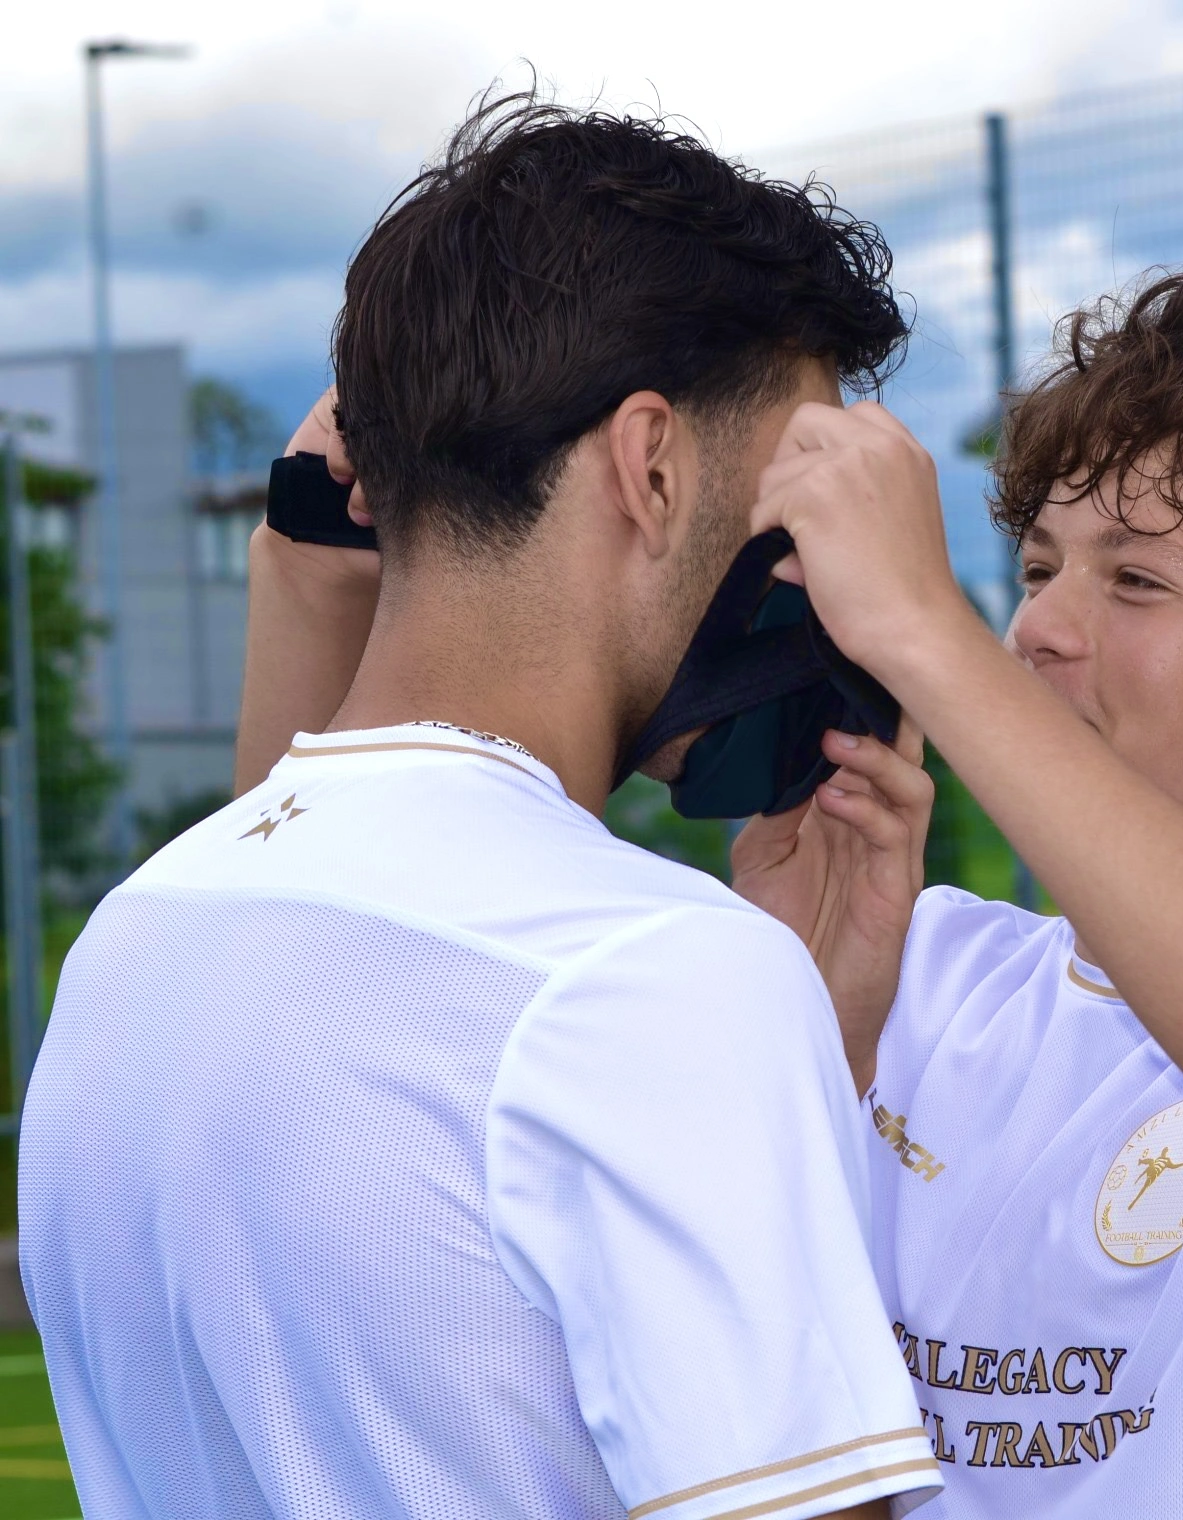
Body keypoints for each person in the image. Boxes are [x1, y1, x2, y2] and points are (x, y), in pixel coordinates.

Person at [241, 271, 1183, 1519]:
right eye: (1036, 571)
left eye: (1134, 580)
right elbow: (325, 1018)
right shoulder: (925, 961)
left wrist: (923, 631)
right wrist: (309, 577)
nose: (1040, 627)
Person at [17, 95, 947, 1520]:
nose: (817, 557)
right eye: (805, 480)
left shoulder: (136, 939)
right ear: (651, 466)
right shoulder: (652, 972)